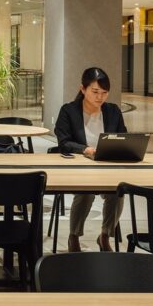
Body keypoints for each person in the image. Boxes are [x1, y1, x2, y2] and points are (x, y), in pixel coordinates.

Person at [54, 67, 127, 253]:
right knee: (85, 192)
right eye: (95, 92)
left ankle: (104, 236)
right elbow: (64, 143)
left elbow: (123, 137)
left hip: (106, 168)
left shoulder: (112, 111)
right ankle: (74, 236)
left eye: (104, 92)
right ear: (83, 89)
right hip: (78, 168)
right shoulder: (69, 111)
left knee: (117, 192)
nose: (100, 97)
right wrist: (85, 150)